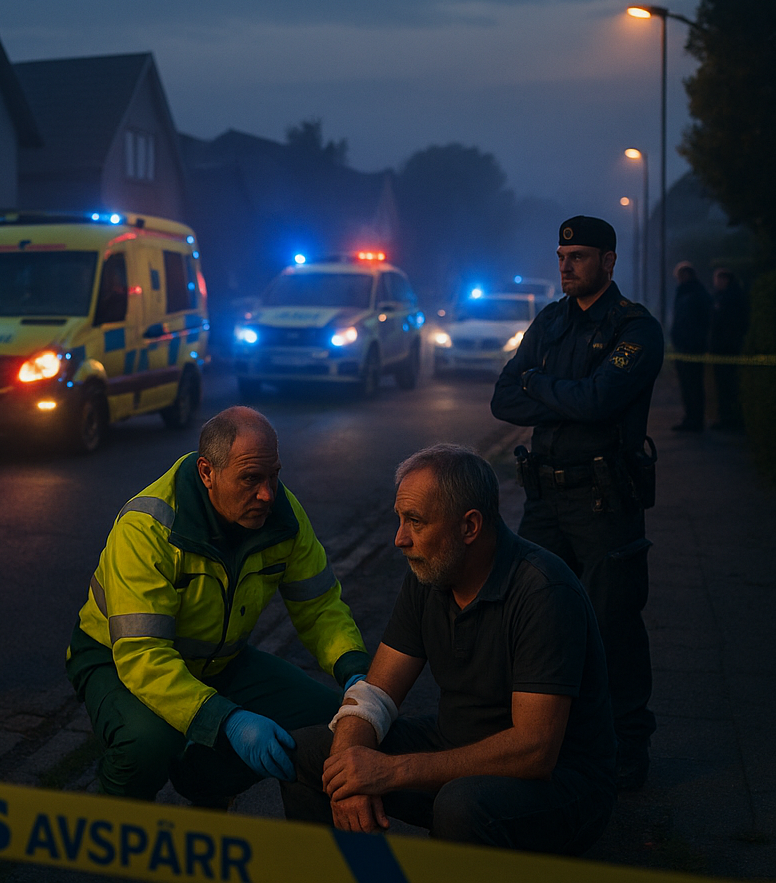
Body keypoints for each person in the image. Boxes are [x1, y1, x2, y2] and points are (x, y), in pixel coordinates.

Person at [281, 445, 616, 854]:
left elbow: (535, 750)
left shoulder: (544, 591)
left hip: (558, 785)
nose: (399, 539)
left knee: (461, 806)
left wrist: (390, 771)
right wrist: (352, 768)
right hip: (454, 748)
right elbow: (376, 691)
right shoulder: (431, 572)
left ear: (469, 527)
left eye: (415, 522)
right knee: (308, 755)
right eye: (399, 519)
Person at [65, 406, 369, 806]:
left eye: (274, 475)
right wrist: (227, 720)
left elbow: (319, 607)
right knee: (147, 745)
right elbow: (142, 654)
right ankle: (117, 832)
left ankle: (204, 779)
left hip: (218, 660)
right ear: (207, 472)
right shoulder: (148, 528)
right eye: (251, 479)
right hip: (117, 661)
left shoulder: (283, 516)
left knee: (330, 722)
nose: (267, 494)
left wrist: (354, 673)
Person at [491, 215, 662, 790]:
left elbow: (596, 402)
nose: (566, 265)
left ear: (609, 262)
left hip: (603, 502)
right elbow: (502, 399)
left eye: (580, 257)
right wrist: (555, 391)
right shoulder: (550, 320)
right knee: (538, 620)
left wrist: (539, 384)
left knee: (612, 625)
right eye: (562, 256)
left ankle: (626, 749)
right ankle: (547, 741)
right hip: (545, 499)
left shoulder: (634, 328)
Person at [669, 261, 710, 432]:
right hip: (685, 345)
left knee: (692, 385)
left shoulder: (693, 294)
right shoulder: (691, 293)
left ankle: (695, 419)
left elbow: (693, 321)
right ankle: (691, 417)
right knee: (688, 385)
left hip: (691, 346)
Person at [709, 268, 748, 431]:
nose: (715, 283)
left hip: (726, 349)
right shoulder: (725, 296)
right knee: (724, 387)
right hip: (723, 348)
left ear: (725, 280)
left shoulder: (730, 298)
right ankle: (726, 419)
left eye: (718, 279)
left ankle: (730, 421)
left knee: (728, 386)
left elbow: (728, 323)